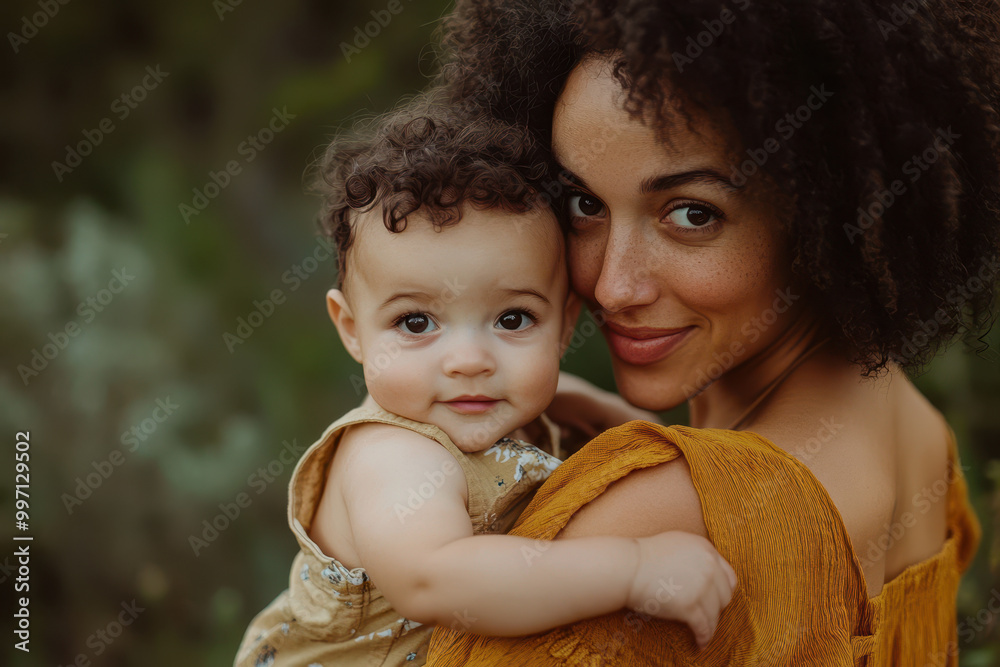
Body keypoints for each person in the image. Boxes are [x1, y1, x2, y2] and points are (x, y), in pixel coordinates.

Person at [426, 1, 998, 664]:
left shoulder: (662, 518)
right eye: (584, 204)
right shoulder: (913, 428)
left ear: (825, 206)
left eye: (692, 214)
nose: (613, 284)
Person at [234, 99, 738, 667]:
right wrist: (634, 569)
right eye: (416, 323)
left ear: (564, 323)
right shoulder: (392, 458)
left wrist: (607, 415)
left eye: (513, 319)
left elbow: (623, 439)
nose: (469, 360)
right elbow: (434, 579)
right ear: (351, 329)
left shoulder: (512, 407)